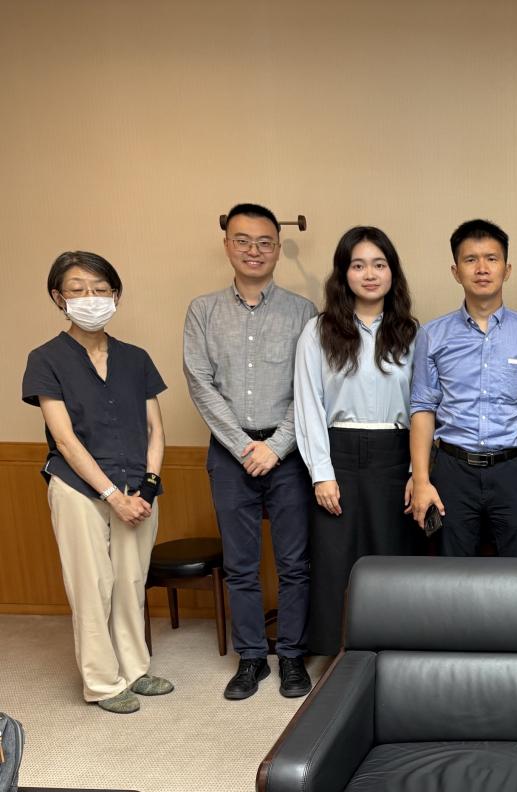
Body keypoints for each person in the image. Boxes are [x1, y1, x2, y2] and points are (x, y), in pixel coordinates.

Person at [22, 251, 172, 714]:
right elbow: (64, 440)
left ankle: (135, 669)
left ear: (116, 295)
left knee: (130, 581)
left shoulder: (136, 358)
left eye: (100, 289)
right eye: (78, 289)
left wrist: (147, 488)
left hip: (136, 488)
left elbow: (156, 430)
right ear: (58, 297)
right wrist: (110, 494)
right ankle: (103, 683)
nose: (90, 297)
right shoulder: (45, 359)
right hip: (79, 488)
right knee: (92, 585)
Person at [183, 203, 316, 700]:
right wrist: (244, 447)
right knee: (241, 565)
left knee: (295, 563)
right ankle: (252, 658)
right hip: (229, 451)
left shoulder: (303, 312)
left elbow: (311, 390)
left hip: (289, 453)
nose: (253, 250)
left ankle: (293, 655)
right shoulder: (203, 311)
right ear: (227, 246)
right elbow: (200, 384)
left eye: (264, 242)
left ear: (277, 249)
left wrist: (276, 447)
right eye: (243, 240)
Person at [294, 226, 421, 656]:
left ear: (392, 272)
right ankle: (337, 656)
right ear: (343, 273)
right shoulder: (318, 331)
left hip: (395, 455)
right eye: (359, 265)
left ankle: (392, 651)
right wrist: (321, 474)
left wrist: (417, 472)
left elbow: (424, 407)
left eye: (379, 265)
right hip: (339, 455)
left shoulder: (411, 333)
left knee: (391, 558)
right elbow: (308, 404)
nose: (370, 274)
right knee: (336, 560)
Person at [410, 219, 517, 556]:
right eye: (470, 259)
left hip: (513, 469)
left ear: (507, 269)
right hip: (453, 469)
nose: (482, 269)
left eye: (491, 258)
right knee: (452, 573)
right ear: (455, 271)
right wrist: (421, 480)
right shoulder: (433, 335)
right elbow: (422, 408)